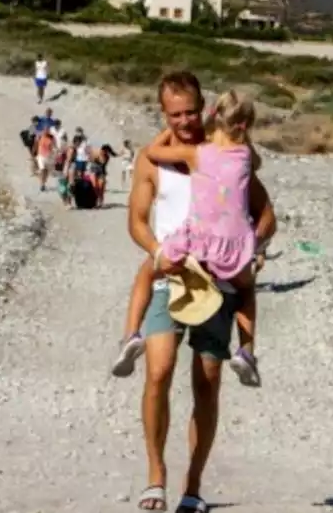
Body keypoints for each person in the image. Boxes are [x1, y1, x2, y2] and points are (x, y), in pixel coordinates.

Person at [122, 71, 276, 513]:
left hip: (219, 285)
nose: (185, 120)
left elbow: (267, 216)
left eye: (192, 111)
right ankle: (156, 477)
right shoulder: (152, 160)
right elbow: (135, 220)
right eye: (176, 114)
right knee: (157, 373)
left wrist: (253, 249)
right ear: (163, 114)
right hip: (170, 277)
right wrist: (155, 252)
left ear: (203, 106)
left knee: (206, 385)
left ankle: (193, 486)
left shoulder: (223, 152)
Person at [113, 89, 264, 384]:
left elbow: (152, 153)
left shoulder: (197, 155)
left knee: (147, 271)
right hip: (233, 247)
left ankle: (130, 335)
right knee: (246, 289)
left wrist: (167, 128)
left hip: (197, 242)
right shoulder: (246, 156)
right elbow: (254, 168)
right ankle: (246, 350)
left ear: (211, 115)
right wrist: (256, 248)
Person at [34, 126, 56, 192]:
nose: (46, 131)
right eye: (45, 130)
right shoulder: (40, 136)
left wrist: (53, 152)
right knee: (42, 170)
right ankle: (41, 184)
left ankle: (43, 183)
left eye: (47, 130)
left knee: (46, 172)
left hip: (48, 156)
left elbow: (53, 147)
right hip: (41, 156)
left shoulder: (51, 138)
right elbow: (36, 143)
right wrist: (34, 152)